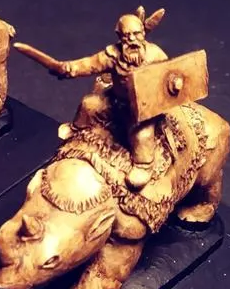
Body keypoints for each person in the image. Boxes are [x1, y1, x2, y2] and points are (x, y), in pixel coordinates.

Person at [52, 12, 169, 190]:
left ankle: (144, 166)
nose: (132, 39)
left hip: (143, 109)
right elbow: (89, 64)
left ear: (143, 33)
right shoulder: (112, 55)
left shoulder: (156, 55)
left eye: (136, 34)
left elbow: (169, 77)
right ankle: (76, 130)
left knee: (142, 134)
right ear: (119, 36)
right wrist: (70, 69)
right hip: (115, 100)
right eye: (126, 35)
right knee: (88, 104)